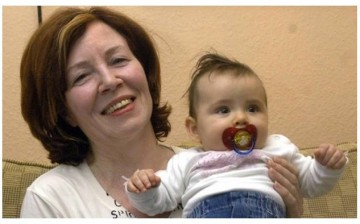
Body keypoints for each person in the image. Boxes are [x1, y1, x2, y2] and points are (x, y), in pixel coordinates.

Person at [19, 7, 304, 218]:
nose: (110, 81)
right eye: (81, 77)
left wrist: (290, 214)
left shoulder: (219, 165)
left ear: (145, 72)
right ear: (63, 110)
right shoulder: (50, 199)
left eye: (118, 60)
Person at [125, 53, 348, 218]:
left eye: (253, 108)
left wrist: (327, 167)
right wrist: (145, 189)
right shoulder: (186, 161)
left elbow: (310, 183)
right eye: (223, 110)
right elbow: (160, 200)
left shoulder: (277, 147)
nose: (241, 118)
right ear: (194, 129)